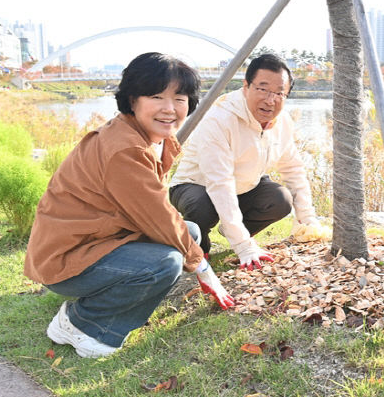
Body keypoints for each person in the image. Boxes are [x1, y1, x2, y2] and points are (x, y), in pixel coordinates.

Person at [24, 52, 235, 359]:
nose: (169, 108)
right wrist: (203, 268)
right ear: (132, 99)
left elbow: (154, 210)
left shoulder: (140, 136)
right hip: (66, 260)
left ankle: (98, 307)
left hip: (94, 241)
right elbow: (159, 216)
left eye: (180, 98)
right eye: (156, 96)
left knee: (188, 232)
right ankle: (82, 322)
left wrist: (194, 254)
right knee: (165, 262)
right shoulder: (124, 149)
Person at [169, 54, 327, 270]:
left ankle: (234, 230)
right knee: (202, 206)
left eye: (279, 93)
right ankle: (201, 246)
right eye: (262, 89)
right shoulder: (219, 118)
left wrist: (308, 221)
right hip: (195, 185)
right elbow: (219, 182)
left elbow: (293, 169)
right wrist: (244, 246)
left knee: (280, 199)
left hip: (243, 187)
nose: (270, 100)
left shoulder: (282, 122)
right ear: (246, 86)